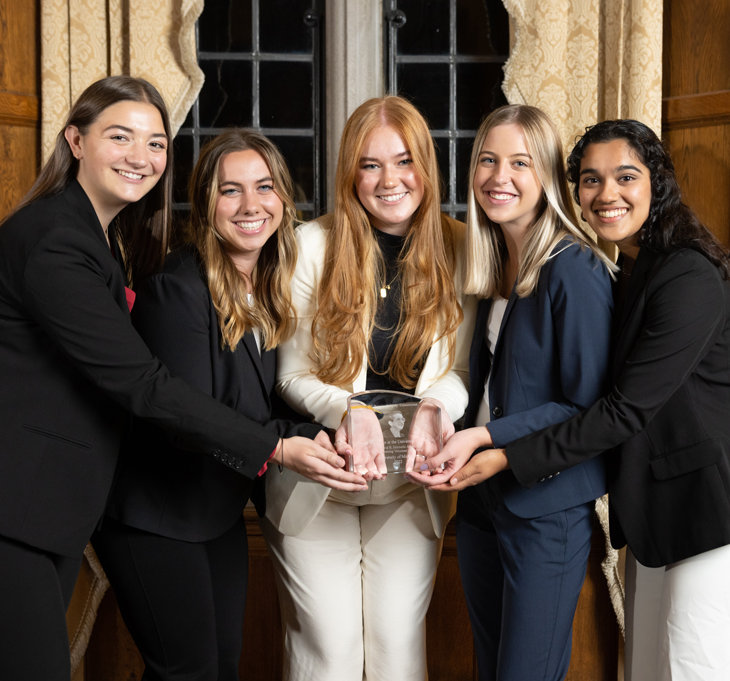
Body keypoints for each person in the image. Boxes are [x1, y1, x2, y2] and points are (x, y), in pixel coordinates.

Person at [0, 76, 365, 681]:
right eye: (120, 137)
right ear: (75, 141)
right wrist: (277, 447)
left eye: (155, 143)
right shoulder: (56, 241)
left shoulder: (102, 241)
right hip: (21, 505)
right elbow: (145, 386)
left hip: (52, 509)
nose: (140, 157)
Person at [424, 119, 730, 681]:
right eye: (592, 179)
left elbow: (613, 405)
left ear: (657, 181)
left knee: (691, 665)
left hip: (683, 504)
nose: (606, 193)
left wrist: (494, 443)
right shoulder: (626, 265)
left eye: (520, 162)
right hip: (628, 507)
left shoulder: (643, 270)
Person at [261, 95, 475, 681]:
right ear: (349, 173)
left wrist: (436, 406)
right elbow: (290, 374)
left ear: (426, 167)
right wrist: (347, 408)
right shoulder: (308, 245)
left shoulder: (462, 248)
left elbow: (459, 371)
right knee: (326, 653)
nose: (388, 180)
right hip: (320, 484)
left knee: (396, 654)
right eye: (369, 164)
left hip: (412, 485)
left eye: (404, 161)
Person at [409, 104, 616, 681]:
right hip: (480, 505)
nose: (500, 177)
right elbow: (490, 386)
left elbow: (587, 403)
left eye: (520, 162)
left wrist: (481, 434)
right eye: (488, 161)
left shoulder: (575, 269)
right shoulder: (495, 264)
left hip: (545, 508)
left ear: (548, 174)